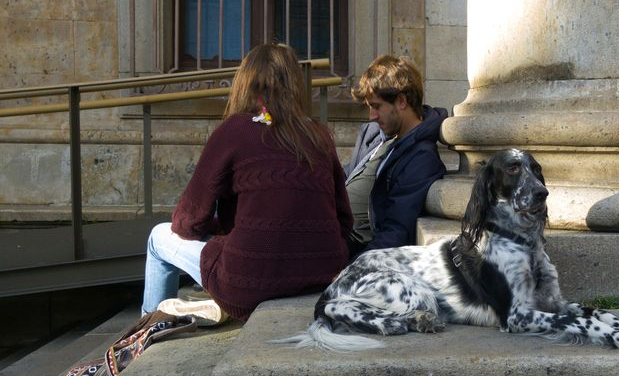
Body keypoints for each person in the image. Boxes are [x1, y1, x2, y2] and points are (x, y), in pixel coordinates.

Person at [141, 44, 353, 322]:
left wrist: (218, 235)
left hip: (248, 283)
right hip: (321, 275)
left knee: (158, 238)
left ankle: (147, 327)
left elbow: (189, 221)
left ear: (245, 84)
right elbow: (343, 220)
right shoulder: (318, 134)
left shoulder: (234, 130)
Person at [344, 55, 448, 258]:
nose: (371, 116)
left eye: (376, 106)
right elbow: (347, 175)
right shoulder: (374, 134)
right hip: (332, 230)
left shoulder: (422, 158)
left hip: (357, 247)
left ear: (401, 101)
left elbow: (396, 231)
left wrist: (354, 269)